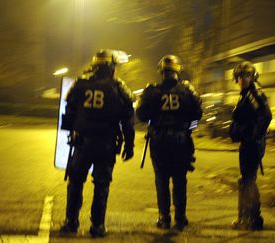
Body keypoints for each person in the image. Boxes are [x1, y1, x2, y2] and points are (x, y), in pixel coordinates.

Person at [59, 49, 135, 237]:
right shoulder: (119, 88)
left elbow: (68, 112)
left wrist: (73, 132)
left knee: (76, 182)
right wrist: (129, 145)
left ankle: (71, 222)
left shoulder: (80, 84)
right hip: (105, 144)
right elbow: (128, 119)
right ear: (111, 68)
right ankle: (98, 226)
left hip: (82, 143)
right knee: (101, 184)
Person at [136, 55, 202, 230]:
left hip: (159, 141)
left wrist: (153, 118)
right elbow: (198, 114)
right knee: (180, 180)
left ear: (161, 71)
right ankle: (180, 218)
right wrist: (188, 130)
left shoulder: (152, 90)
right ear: (178, 70)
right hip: (181, 141)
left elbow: (141, 115)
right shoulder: (187, 90)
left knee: (162, 180)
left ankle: (164, 218)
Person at [229, 61, 272, 230]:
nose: (243, 79)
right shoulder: (246, 94)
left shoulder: (253, 94)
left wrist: (254, 135)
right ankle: (251, 217)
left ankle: (249, 219)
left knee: (247, 181)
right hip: (250, 143)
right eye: (240, 76)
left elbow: (266, 116)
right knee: (247, 180)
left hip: (252, 144)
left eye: (246, 75)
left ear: (253, 77)